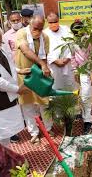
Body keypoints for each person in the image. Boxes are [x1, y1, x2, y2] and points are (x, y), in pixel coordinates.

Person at [15, 15, 53, 144]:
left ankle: (48, 128)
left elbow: (45, 56)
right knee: (27, 104)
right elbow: (25, 50)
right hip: (24, 73)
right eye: (35, 28)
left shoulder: (45, 37)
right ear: (30, 25)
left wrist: (45, 68)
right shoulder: (22, 33)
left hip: (40, 74)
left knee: (44, 101)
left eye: (41, 28)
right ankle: (34, 132)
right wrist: (42, 65)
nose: (38, 31)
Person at [44, 12, 75, 90]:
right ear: (47, 22)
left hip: (67, 64)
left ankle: (71, 101)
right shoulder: (44, 33)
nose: (53, 24)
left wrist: (67, 58)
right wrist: (55, 61)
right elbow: (44, 50)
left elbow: (72, 44)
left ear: (58, 20)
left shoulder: (66, 29)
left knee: (69, 85)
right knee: (55, 86)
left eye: (55, 22)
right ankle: (56, 102)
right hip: (53, 65)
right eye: (50, 22)